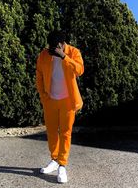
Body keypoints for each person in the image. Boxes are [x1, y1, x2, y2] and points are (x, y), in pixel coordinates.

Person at [36, 30, 84, 184]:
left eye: (57, 47)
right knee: (51, 132)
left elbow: (79, 70)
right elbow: (39, 76)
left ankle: (62, 164)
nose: (53, 50)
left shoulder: (73, 52)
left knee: (65, 133)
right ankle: (54, 159)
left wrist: (64, 57)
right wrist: (44, 96)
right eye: (51, 47)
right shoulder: (44, 54)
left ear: (63, 44)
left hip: (68, 101)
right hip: (50, 100)